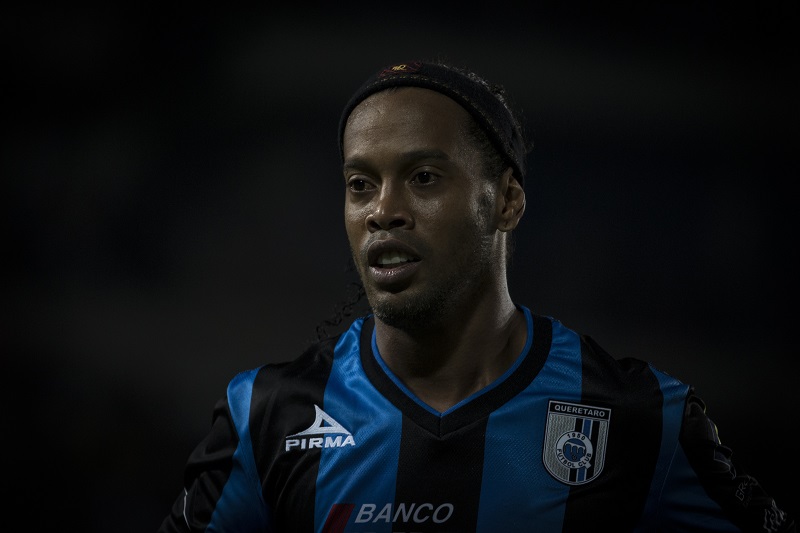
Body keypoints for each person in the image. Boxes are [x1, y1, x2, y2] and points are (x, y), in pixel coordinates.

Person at [159, 59, 795, 532]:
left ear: (507, 200)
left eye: (423, 177)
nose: (382, 210)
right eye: (360, 184)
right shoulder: (265, 417)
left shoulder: (642, 419)